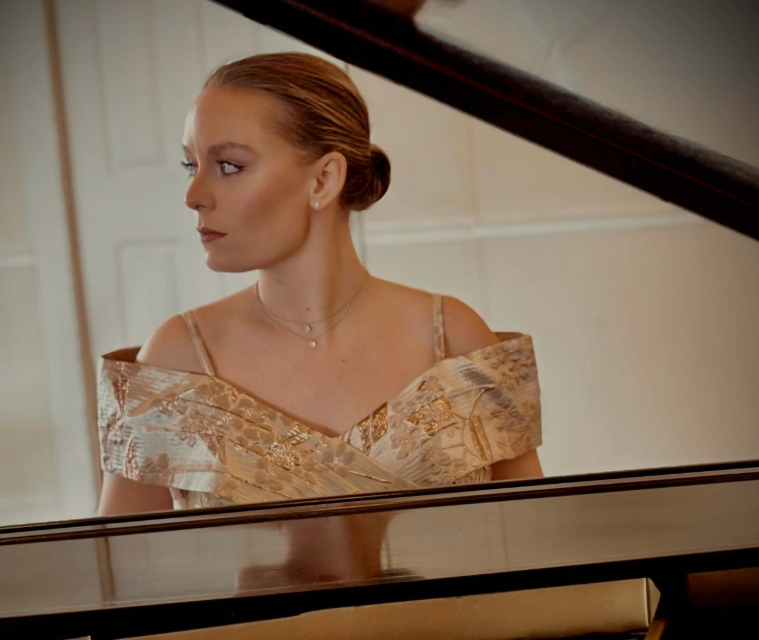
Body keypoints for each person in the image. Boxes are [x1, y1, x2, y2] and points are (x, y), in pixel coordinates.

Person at [97, 52, 543, 517]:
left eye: (228, 166)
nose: (193, 196)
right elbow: (119, 560)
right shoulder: (175, 360)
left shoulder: (454, 339)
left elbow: (536, 538)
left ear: (324, 180)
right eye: (191, 166)